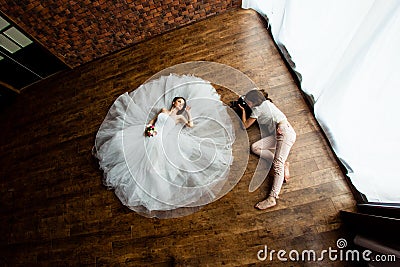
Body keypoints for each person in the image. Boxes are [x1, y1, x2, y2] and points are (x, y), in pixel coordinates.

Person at [93, 74, 235, 218]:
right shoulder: (163, 111)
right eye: (179, 102)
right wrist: (149, 129)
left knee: (153, 165)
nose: (180, 104)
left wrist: (189, 113)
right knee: (123, 144)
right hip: (151, 133)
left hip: (163, 140)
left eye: (182, 104)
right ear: (174, 102)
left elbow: (191, 125)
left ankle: (150, 187)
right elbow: (152, 121)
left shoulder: (179, 118)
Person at [238, 89, 296, 210]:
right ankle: (284, 164)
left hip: (284, 132)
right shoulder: (267, 103)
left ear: (253, 101)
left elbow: (244, 126)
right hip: (280, 132)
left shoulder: (257, 109)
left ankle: (272, 198)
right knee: (255, 147)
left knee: (277, 163)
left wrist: (243, 111)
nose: (247, 104)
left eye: (248, 102)